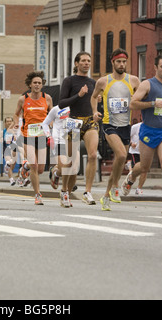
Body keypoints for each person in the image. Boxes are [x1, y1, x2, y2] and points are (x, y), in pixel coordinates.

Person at [120, 55, 162, 214]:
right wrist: (152, 103)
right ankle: (130, 178)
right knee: (144, 167)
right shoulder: (147, 84)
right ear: (155, 67)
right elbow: (133, 103)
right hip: (148, 130)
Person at [91, 48, 140, 211]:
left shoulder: (133, 80)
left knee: (120, 162)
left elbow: (142, 96)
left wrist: (138, 100)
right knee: (120, 154)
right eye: (118, 61)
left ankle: (107, 194)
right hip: (109, 124)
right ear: (112, 62)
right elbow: (93, 96)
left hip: (125, 125)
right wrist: (94, 111)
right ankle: (115, 187)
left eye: (124, 61)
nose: (121, 64)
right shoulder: (103, 81)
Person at [58, 51, 101, 208]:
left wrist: (96, 109)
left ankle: (87, 192)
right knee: (70, 162)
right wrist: (79, 95)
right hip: (73, 122)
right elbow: (62, 103)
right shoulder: (69, 81)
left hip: (89, 121)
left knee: (93, 155)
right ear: (76, 63)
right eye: (83, 60)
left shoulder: (93, 82)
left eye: (88, 61)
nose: (86, 63)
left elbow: (94, 101)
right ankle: (64, 191)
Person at [13, 71, 52, 205]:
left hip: (41, 136)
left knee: (40, 169)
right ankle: (37, 194)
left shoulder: (47, 98)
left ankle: (25, 167)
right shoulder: (23, 99)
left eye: (39, 83)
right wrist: (16, 122)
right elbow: (16, 114)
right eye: (34, 82)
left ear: (42, 85)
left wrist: (51, 123)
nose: (37, 85)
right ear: (30, 84)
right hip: (27, 135)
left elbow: (51, 114)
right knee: (35, 165)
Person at [41, 105, 70, 190]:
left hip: (71, 140)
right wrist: (49, 136)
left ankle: (56, 172)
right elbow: (45, 123)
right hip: (59, 140)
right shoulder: (56, 109)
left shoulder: (76, 107)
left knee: (71, 166)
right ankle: (66, 187)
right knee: (65, 166)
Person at [128, 119, 147, 195]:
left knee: (144, 171)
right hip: (135, 151)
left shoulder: (152, 128)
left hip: (145, 152)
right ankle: (129, 182)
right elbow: (128, 136)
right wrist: (131, 143)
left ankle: (139, 188)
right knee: (135, 171)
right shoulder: (135, 127)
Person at [2, 117, 17, 186]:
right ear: (5, 123)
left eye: (10, 121)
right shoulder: (3, 131)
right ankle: (11, 180)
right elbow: (0, 141)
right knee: (8, 163)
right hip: (6, 149)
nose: (9, 123)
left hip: (14, 150)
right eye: (7, 121)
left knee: (12, 164)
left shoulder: (15, 131)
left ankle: (7, 170)